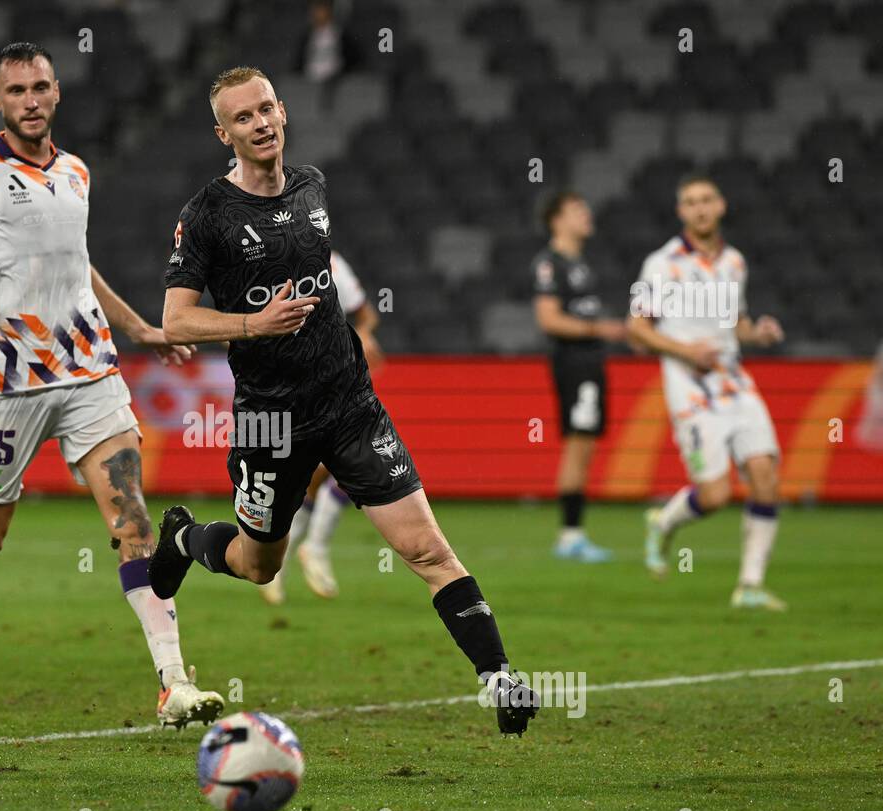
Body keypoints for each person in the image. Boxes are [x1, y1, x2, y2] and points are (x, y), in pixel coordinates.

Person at [149, 66, 540, 735]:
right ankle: (184, 538)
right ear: (224, 133)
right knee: (256, 561)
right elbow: (176, 321)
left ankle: (500, 679)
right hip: (271, 420)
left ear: (284, 111)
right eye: (243, 117)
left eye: (267, 108)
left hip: (351, 406)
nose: (260, 122)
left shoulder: (312, 186)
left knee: (427, 550)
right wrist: (251, 325)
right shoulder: (207, 215)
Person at [0, 42, 226, 729]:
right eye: (16, 91)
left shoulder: (76, 173)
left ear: (56, 94)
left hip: (91, 373)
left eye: (40, 87)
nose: (30, 100)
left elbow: (78, 268)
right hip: (11, 385)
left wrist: (142, 330)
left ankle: (174, 683)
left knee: (132, 520)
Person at [628, 173, 788, 610]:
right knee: (716, 495)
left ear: (721, 206)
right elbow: (637, 328)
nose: (700, 208)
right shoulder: (661, 264)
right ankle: (663, 523)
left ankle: (750, 585)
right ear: (681, 212)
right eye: (691, 202)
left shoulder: (734, 262)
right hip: (690, 390)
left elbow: (736, 325)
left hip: (735, 383)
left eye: (706, 200)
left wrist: (760, 334)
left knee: (765, 474)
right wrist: (685, 350)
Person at [258, 249, 383, 604]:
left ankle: (309, 548)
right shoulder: (266, 260)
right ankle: (280, 558)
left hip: (336, 377)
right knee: (305, 477)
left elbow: (367, 315)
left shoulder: (334, 263)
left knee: (347, 461)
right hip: (287, 383)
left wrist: (363, 334)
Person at [532, 190, 626, 561]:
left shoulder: (581, 263)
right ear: (557, 220)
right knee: (578, 444)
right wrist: (602, 330)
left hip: (589, 362)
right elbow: (549, 319)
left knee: (585, 445)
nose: (586, 215)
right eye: (577, 210)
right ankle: (570, 536)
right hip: (574, 361)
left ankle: (573, 534)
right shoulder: (549, 263)